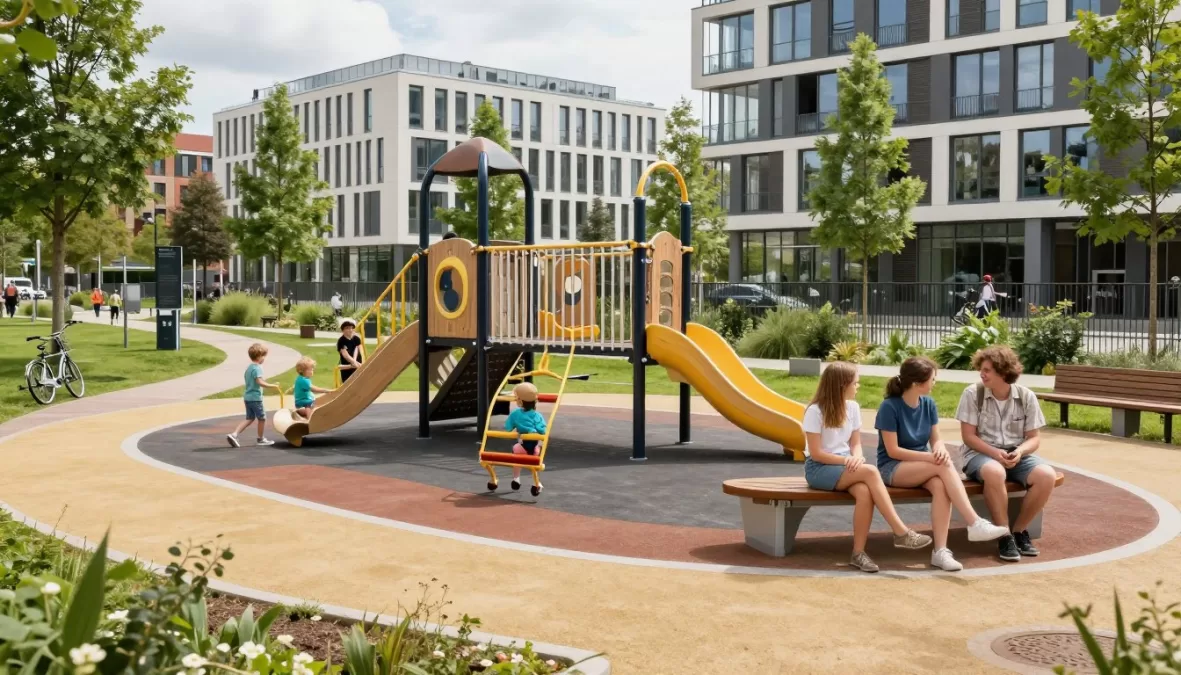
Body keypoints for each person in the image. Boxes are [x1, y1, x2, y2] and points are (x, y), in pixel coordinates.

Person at [876, 356, 1010, 571]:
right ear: (917, 383)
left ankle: (940, 552)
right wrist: (932, 458)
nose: (935, 383)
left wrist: (939, 449)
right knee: (942, 465)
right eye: (932, 379)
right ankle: (974, 522)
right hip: (893, 467)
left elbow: (936, 439)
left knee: (941, 486)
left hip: (923, 466)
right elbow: (893, 451)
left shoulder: (928, 404)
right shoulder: (889, 407)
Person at [803, 362, 933, 573]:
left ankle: (858, 554)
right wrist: (848, 461)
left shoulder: (853, 408)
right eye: (855, 383)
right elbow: (816, 453)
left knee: (864, 492)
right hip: (819, 468)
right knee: (871, 471)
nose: (858, 386)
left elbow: (855, 443)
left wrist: (857, 457)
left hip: (845, 464)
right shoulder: (815, 411)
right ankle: (901, 532)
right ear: (841, 385)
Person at [956, 345, 1057, 562]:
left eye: (987, 370)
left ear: (1003, 372)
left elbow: (1034, 438)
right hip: (979, 454)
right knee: (995, 472)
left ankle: (1020, 531)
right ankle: (1004, 534)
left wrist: (1019, 452)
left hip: (1016, 454)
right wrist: (995, 453)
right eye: (981, 369)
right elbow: (968, 437)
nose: (982, 374)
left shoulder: (1026, 396)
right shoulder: (973, 394)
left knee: (1047, 475)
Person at [226, 343, 281, 447]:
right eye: (264, 356)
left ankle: (234, 434)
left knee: (250, 418)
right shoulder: (257, 368)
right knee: (262, 418)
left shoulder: (249, 368)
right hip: (255, 398)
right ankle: (261, 439)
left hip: (247, 397)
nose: (264, 358)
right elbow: (259, 382)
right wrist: (272, 386)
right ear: (259, 356)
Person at [504, 382, 547, 492]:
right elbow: (543, 430)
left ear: (520, 400)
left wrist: (517, 427)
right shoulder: (537, 415)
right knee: (534, 462)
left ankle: (516, 478)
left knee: (516, 452)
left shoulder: (515, 414)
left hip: (522, 445)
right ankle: (537, 483)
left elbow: (507, 428)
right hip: (535, 445)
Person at [292, 356, 333, 421]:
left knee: (312, 404)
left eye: (312, 370)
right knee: (309, 405)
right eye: (310, 370)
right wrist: (325, 390)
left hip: (301, 401)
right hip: (302, 402)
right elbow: (314, 389)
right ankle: (310, 419)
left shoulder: (301, 378)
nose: (312, 371)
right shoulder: (304, 380)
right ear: (302, 371)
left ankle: (301, 411)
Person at [337, 318, 363, 382]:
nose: (350, 330)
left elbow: (360, 351)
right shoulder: (341, 341)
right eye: (347, 328)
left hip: (358, 365)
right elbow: (346, 355)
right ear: (343, 330)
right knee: (348, 383)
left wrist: (359, 363)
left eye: (352, 328)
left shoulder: (356, 339)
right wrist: (354, 363)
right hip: (347, 367)